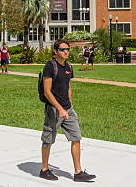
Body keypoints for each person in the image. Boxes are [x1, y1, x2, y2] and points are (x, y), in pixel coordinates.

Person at [39, 39, 96, 182]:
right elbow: (47, 92)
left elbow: (68, 86)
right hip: (53, 109)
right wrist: (60, 109)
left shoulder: (69, 67)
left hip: (68, 109)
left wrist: (69, 105)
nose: (66, 52)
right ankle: (44, 169)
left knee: (76, 137)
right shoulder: (50, 67)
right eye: (63, 49)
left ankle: (78, 172)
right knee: (48, 140)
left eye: (67, 49)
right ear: (56, 51)